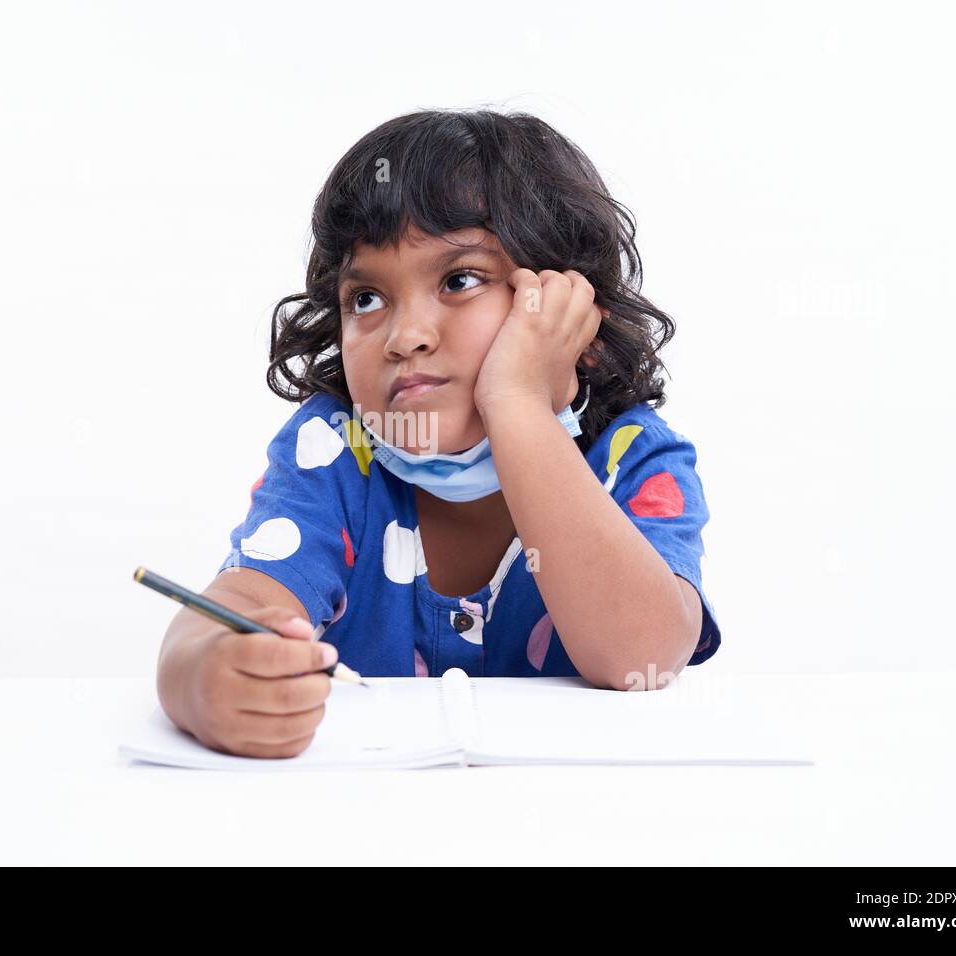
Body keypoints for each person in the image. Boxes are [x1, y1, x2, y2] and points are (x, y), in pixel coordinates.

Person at [156, 109, 721, 758]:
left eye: (459, 280)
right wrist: (200, 677)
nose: (404, 336)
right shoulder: (337, 452)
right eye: (366, 298)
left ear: (574, 315)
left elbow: (640, 656)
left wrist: (519, 406)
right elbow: (233, 608)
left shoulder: (632, 457)